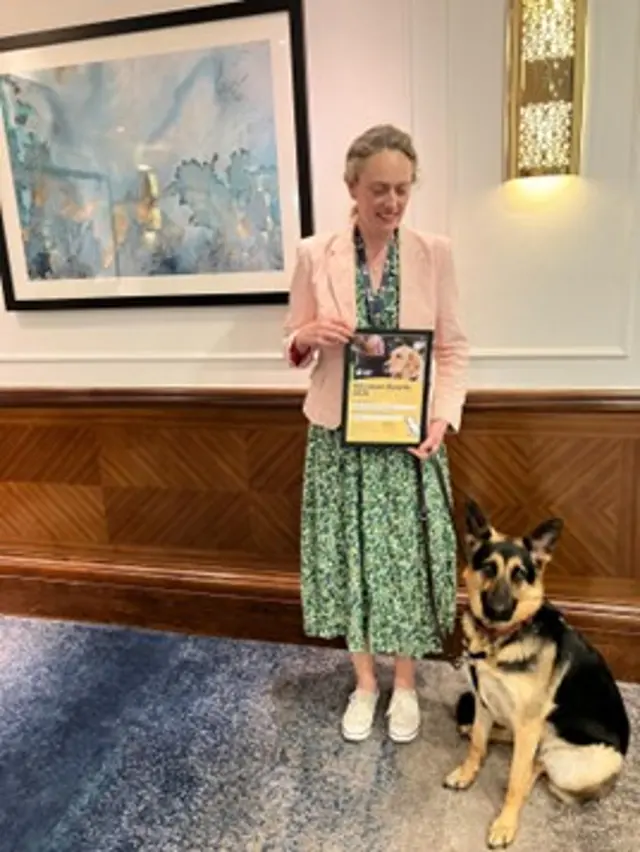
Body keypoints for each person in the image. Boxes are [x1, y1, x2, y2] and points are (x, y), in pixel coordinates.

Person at [283, 124, 469, 744]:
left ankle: (406, 684)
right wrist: (308, 335)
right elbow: (292, 342)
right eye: (379, 189)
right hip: (339, 438)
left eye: (402, 189)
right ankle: (365, 682)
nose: (392, 202)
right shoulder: (316, 254)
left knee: (406, 562)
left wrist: (442, 417)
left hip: (408, 439)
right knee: (350, 558)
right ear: (352, 187)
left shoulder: (434, 253)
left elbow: (453, 346)